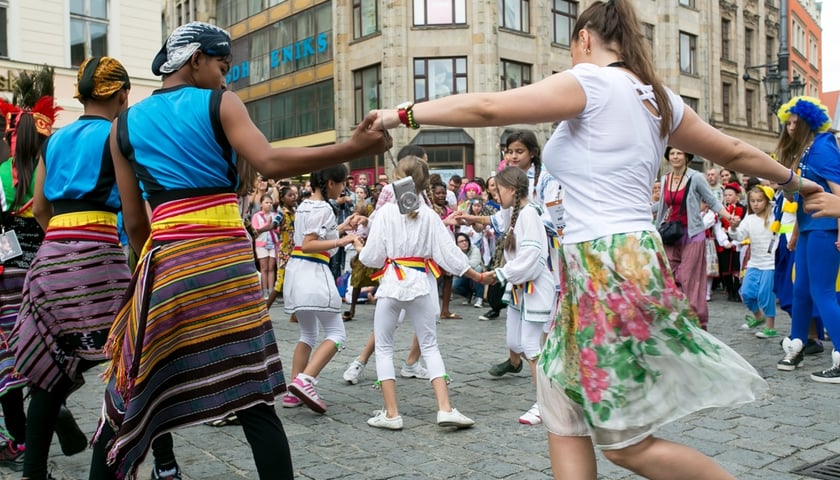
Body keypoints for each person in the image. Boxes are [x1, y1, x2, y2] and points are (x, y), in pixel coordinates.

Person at [372, 1, 820, 477]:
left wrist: (401, 114)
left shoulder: (593, 82)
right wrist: (796, 183)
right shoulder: (658, 98)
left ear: (585, 38)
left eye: (570, 47)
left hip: (608, 263)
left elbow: (488, 107)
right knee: (560, 401)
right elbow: (733, 149)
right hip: (608, 262)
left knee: (625, 444)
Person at [92, 22, 389, 479]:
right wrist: (351, 146)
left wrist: (165, 262)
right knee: (253, 398)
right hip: (226, 267)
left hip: (166, 264)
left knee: (129, 390)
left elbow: (134, 222)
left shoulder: (123, 126)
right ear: (196, 61)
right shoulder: (221, 103)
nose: (226, 78)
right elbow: (267, 160)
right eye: (222, 65)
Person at [356, 155, 485, 430]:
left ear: (396, 179)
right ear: (424, 183)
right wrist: (476, 275)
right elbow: (449, 254)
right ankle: (445, 408)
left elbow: (371, 257)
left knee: (384, 347)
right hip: (421, 282)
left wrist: (359, 249)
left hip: (392, 282)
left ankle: (391, 413)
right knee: (430, 346)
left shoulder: (385, 214)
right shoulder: (429, 215)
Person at [773, 96, 840, 381]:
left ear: (808, 122)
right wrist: (796, 235)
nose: (789, 128)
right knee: (800, 291)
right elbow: (804, 200)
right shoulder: (805, 150)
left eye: (795, 123)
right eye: (787, 123)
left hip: (826, 229)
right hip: (808, 230)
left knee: (822, 292)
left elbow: (838, 190)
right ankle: (796, 345)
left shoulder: (823, 145)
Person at [282, 165, 359, 413]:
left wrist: (343, 226)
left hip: (298, 272)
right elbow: (309, 244)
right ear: (330, 184)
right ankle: (306, 380)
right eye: (342, 183)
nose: (344, 188)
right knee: (337, 333)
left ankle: (293, 390)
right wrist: (342, 239)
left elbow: (313, 236)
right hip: (314, 272)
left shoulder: (305, 204)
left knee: (307, 334)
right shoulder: (323, 207)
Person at [485, 167, 558, 426]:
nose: (495, 193)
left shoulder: (530, 214)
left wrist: (501, 274)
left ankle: (545, 403)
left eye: (499, 189)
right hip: (520, 288)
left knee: (530, 344)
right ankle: (555, 385)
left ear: (513, 190)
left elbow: (532, 257)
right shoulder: (516, 213)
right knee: (515, 343)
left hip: (534, 287)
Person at [654, 146, 737, 329]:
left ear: (687, 156)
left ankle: (699, 322)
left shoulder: (696, 177)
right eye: (672, 153)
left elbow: (712, 201)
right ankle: (677, 317)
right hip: (669, 234)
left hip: (692, 234)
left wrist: (728, 217)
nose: (675, 156)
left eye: (679, 153)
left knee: (690, 278)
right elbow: (659, 207)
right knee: (668, 275)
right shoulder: (665, 178)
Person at [728, 186, 779, 339]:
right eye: (752, 201)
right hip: (754, 263)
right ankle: (758, 317)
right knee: (746, 293)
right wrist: (733, 228)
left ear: (767, 202)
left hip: (770, 264)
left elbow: (784, 234)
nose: (756, 204)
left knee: (765, 295)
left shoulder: (775, 218)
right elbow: (739, 236)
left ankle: (770, 327)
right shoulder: (749, 219)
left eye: (759, 201)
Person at [251, 194, 278, 298]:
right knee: (264, 268)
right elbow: (255, 230)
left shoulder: (275, 215)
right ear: (261, 204)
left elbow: (278, 229)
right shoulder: (256, 216)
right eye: (267, 202)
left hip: (273, 243)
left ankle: (271, 291)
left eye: (271, 203)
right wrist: (267, 225)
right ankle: (264, 290)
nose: (269, 205)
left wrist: (274, 227)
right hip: (261, 244)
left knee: (271, 268)